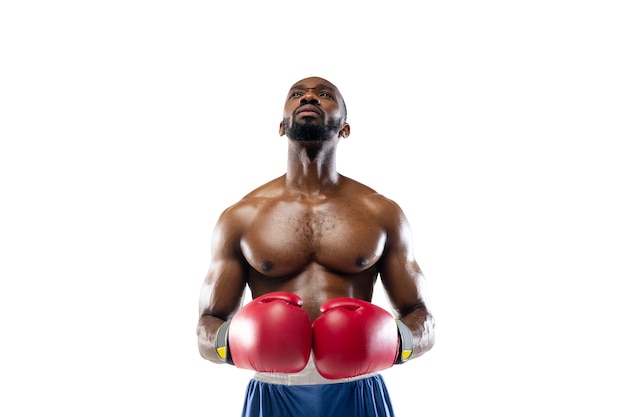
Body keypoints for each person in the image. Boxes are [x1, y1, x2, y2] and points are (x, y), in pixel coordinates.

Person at [196, 76, 435, 417]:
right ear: (281, 126)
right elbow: (208, 324)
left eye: (324, 94)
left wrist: (395, 344)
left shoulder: (382, 213)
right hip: (273, 391)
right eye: (297, 94)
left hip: (358, 387)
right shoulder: (241, 217)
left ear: (346, 129)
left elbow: (422, 318)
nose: (309, 97)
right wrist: (233, 343)